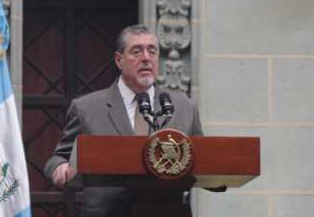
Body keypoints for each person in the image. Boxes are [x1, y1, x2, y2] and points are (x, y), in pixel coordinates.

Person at [44, 24, 204, 217]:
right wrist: (59, 167)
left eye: (152, 51)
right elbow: (58, 157)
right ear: (119, 60)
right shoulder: (86, 108)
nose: (146, 58)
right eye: (137, 51)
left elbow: (203, 160)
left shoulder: (184, 108)